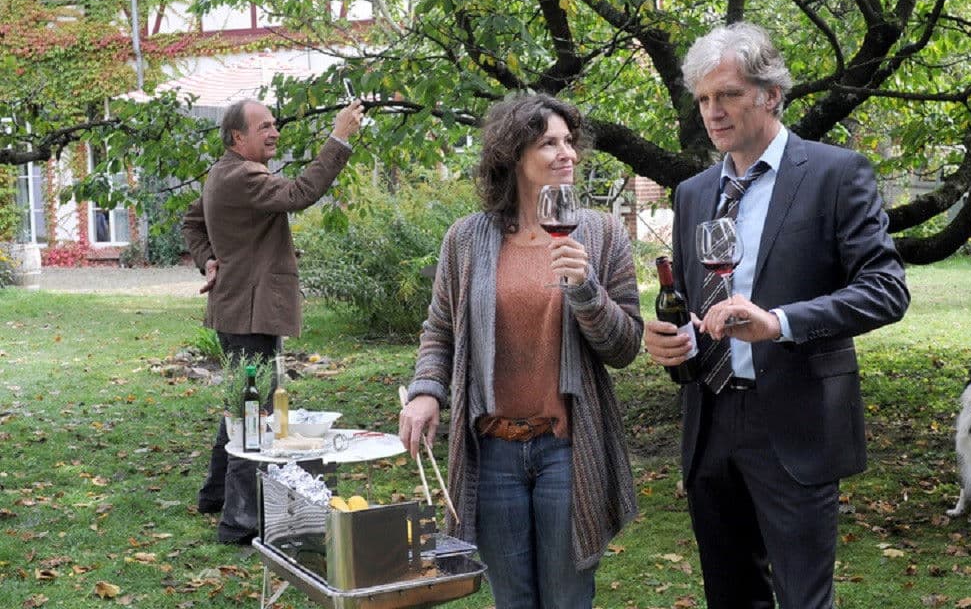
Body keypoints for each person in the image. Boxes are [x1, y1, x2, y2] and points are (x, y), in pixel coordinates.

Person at [642, 22, 910, 609]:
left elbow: (887, 289)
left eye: (728, 94)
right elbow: (688, 299)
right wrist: (671, 339)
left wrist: (779, 323)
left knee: (803, 600)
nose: (713, 112)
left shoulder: (836, 174)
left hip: (794, 420)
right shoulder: (693, 193)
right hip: (710, 420)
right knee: (731, 597)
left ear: (771, 95)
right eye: (704, 99)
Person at [398, 93, 642, 608]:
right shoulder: (467, 239)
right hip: (493, 452)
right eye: (549, 143)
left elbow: (624, 347)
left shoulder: (601, 234)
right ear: (513, 155)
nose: (566, 153)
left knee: (567, 597)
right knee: (512, 600)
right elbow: (440, 330)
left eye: (569, 141)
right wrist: (426, 393)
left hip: (566, 449)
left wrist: (586, 290)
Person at [182, 97, 365, 543]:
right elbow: (301, 193)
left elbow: (191, 223)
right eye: (264, 126)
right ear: (237, 137)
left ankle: (215, 495)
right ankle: (239, 524)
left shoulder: (221, 172)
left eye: (274, 124)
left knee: (244, 405)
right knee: (256, 417)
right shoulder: (243, 175)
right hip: (249, 312)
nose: (275, 132)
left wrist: (208, 260)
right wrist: (339, 137)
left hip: (242, 310)